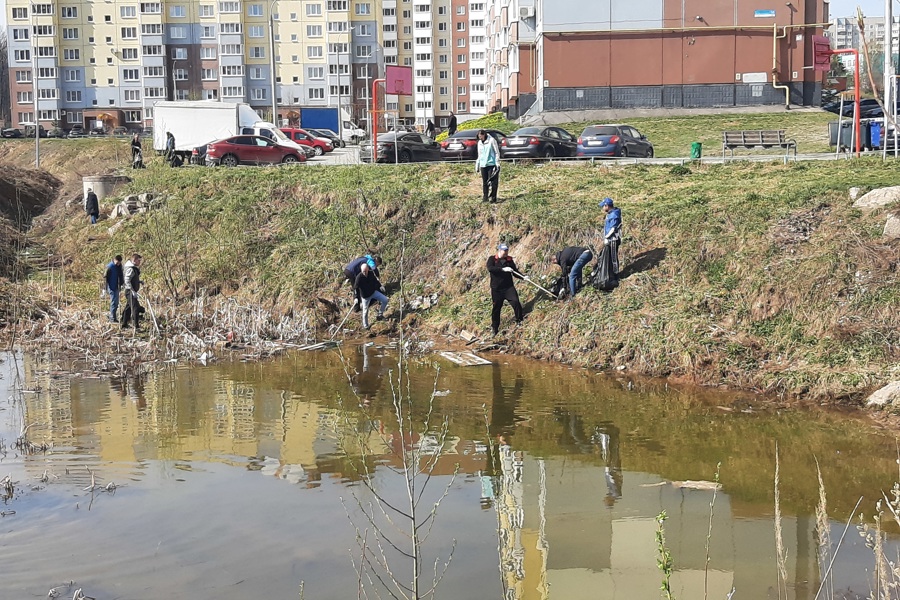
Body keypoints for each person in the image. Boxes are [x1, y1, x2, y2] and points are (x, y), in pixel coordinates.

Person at [486, 243, 524, 336]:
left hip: (508, 287)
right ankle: (494, 328)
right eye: (504, 251)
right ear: (499, 250)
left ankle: (519, 321)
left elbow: (515, 272)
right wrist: (503, 269)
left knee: (516, 302)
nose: (506, 252)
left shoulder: (509, 260)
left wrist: (523, 277)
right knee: (496, 308)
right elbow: (490, 269)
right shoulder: (492, 259)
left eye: (507, 250)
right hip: (497, 289)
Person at [354, 262, 388, 329]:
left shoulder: (371, 273)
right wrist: (356, 297)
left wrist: (380, 286)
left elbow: (375, 281)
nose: (364, 273)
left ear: (368, 269)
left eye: (365, 271)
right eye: (363, 271)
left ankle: (380, 315)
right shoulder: (359, 278)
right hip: (365, 297)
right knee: (365, 311)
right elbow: (355, 288)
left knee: (385, 300)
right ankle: (366, 326)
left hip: (373, 292)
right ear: (361, 270)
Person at [475, 130, 501, 203]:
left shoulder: (492, 140)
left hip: (491, 164)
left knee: (493, 182)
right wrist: (478, 164)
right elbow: (479, 154)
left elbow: (496, 152)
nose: (480, 138)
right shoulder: (479, 143)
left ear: (484, 135)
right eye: (479, 137)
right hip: (483, 164)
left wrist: (497, 162)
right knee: (485, 182)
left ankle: (493, 197)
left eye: (481, 136)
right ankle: (485, 197)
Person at [599, 197, 622, 274]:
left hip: (613, 239)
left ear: (607, 206)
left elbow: (613, 228)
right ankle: (611, 273)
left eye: (603, 206)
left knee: (613, 257)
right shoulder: (610, 214)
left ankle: (616, 274)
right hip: (610, 239)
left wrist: (607, 237)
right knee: (610, 257)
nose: (602, 208)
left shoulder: (614, 215)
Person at [120, 253, 143, 331]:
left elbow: (132, 279)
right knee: (135, 308)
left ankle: (124, 323)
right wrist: (132, 291)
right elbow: (127, 280)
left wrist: (139, 282)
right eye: (138, 260)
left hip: (130, 291)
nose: (139, 262)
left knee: (128, 308)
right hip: (129, 291)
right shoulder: (130, 268)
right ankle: (136, 326)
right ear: (134, 260)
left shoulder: (132, 268)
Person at [104, 254, 124, 323]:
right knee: (114, 302)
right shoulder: (109, 267)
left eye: (119, 263)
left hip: (117, 286)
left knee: (116, 302)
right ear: (114, 260)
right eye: (117, 262)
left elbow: (121, 275)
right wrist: (104, 288)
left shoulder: (119, 266)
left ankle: (114, 316)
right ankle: (112, 318)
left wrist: (122, 283)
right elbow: (105, 278)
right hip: (111, 287)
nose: (118, 264)